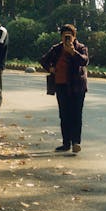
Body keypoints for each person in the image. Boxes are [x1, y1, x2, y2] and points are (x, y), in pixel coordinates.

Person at [40, 23, 88, 153]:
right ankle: (66, 143)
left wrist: (73, 52)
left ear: (74, 36)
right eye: (64, 36)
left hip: (77, 86)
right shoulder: (56, 49)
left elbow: (84, 61)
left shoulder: (81, 48)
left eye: (69, 36)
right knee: (64, 115)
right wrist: (50, 68)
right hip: (61, 85)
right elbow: (43, 60)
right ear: (61, 37)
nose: (67, 39)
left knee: (76, 115)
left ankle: (76, 142)